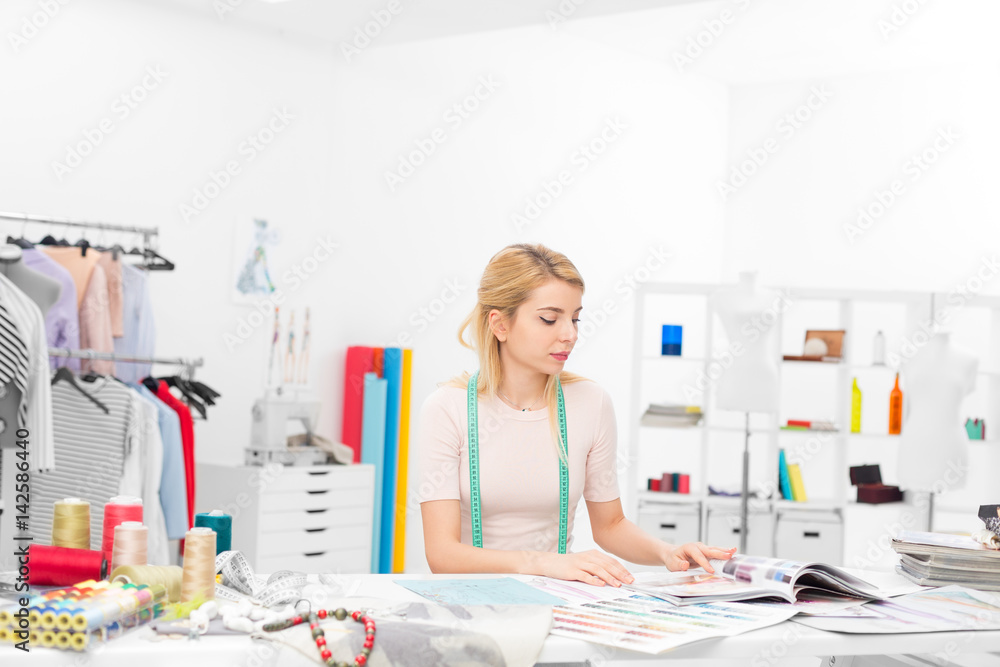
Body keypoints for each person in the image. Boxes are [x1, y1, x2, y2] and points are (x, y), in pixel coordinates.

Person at [417, 243, 735, 588]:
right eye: (549, 319)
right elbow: (442, 555)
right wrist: (544, 563)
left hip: (556, 599)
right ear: (500, 325)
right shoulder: (447, 409)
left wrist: (667, 552)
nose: (570, 334)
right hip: (471, 599)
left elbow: (610, 525)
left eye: (575, 318)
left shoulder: (590, 403)